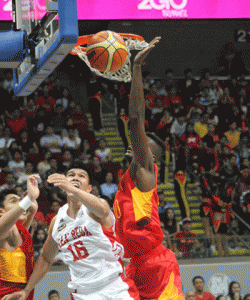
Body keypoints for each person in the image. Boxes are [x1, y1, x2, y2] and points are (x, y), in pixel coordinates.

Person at [2, 162, 139, 300]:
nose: (75, 178)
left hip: (114, 286)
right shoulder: (57, 221)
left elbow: (103, 211)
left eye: (81, 176)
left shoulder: (95, 207)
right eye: (71, 175)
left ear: (89, 188)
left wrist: (73, 190)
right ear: (63, 183)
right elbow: (45, 258)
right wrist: (26, 290)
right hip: (82, 293)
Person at [113, 37, 184, 300]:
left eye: (144, 144)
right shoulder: (130, 179)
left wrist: (137, 67)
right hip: (136, 264)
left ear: (153, 157)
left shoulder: (145, 170)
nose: (137, 144)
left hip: (156, 264)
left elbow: (135, 120)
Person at [0, 175, 40, 299]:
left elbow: (21, 241)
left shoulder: (17, 231)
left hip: (22, 294)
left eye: (20, 200)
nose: (20, 205)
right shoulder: (5, 227)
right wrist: (29, 198)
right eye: (13, 201)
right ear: (1, 211)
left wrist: (32, 211)